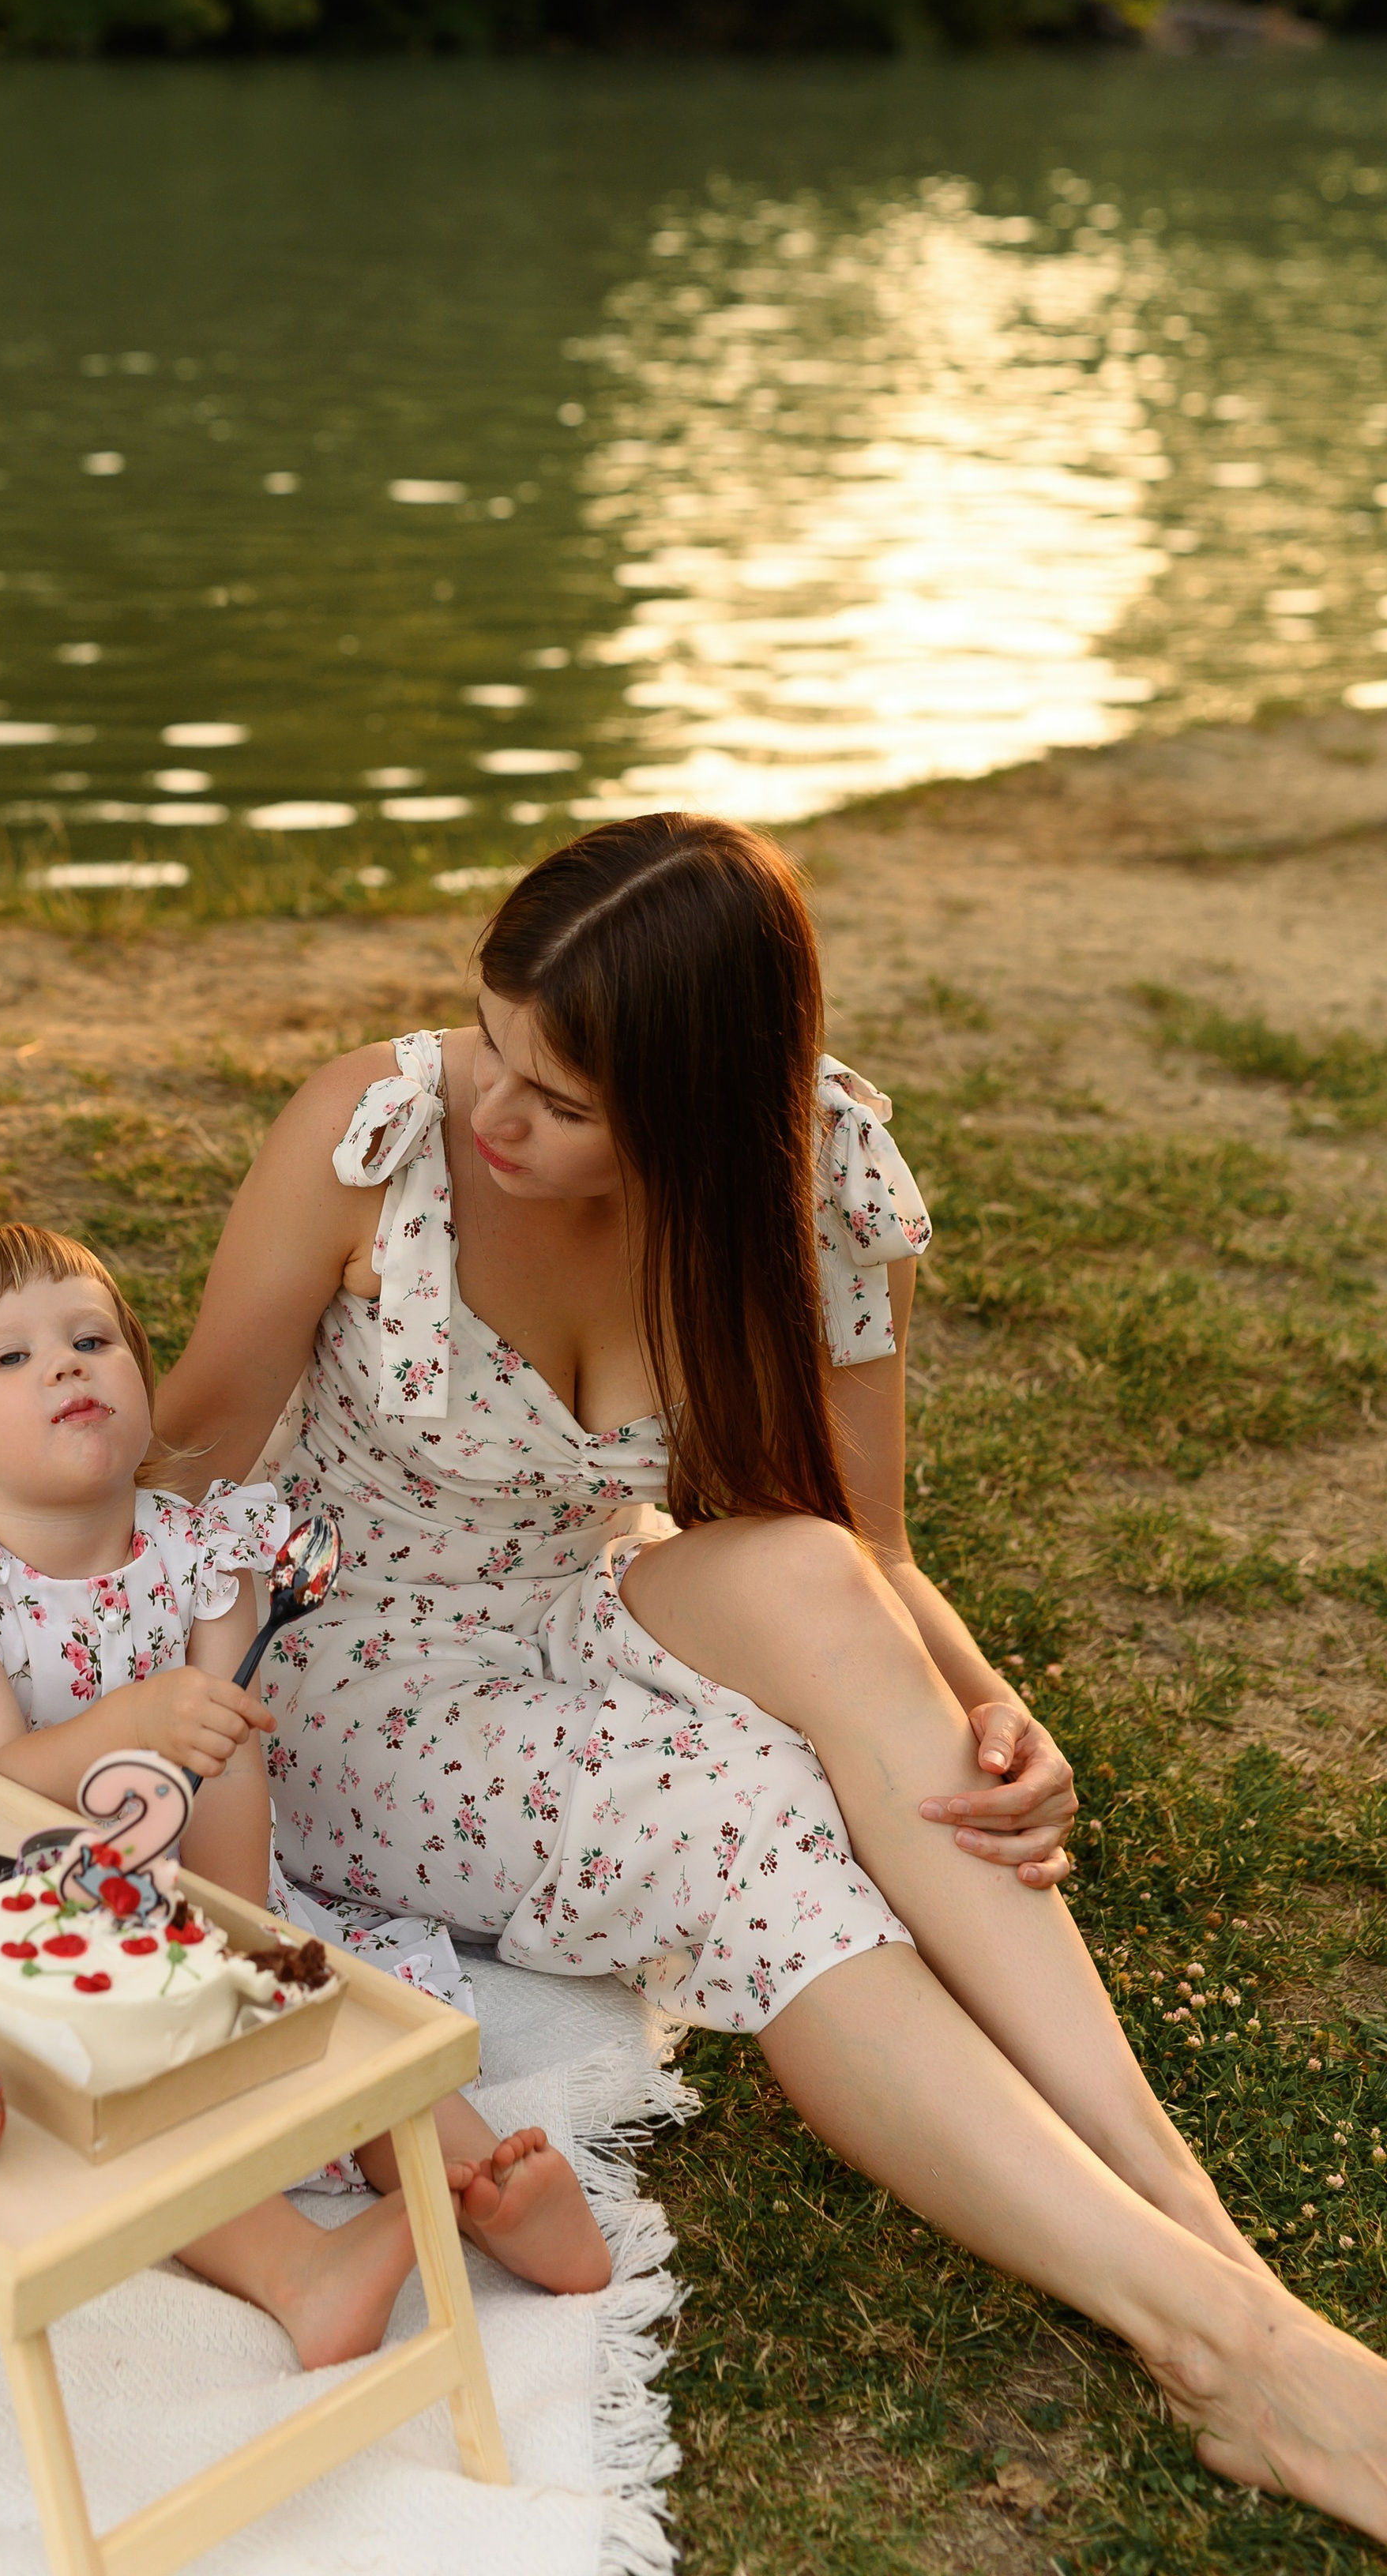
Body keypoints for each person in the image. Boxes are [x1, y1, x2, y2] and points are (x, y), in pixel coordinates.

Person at [156, 812, 1387, 2541]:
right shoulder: (380, 1132)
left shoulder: (819, 1174)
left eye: (560, 1098)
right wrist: (68, 1668)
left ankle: (1191, 2216)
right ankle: (1218, 2347)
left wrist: (974, 1696)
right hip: (355, 1671)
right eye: (493, 1039)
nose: (491, 1111)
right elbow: (187, 1456)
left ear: (698, 1105)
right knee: (742, 1817)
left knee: (808, 1583)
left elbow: (857, 1539)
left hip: (587, 1605)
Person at [0, 1220, 611, 2367]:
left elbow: (233, 1770)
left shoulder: (204, 1559)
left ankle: (480, 2184)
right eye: (12, 1359)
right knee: (116, 2088)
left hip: (208, 1892)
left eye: (92, 1338)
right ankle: (296, 2268)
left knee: (333, 2020)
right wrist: (128, 1726)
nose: (67, 1364)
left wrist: (236, 1940)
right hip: (27, 1924)